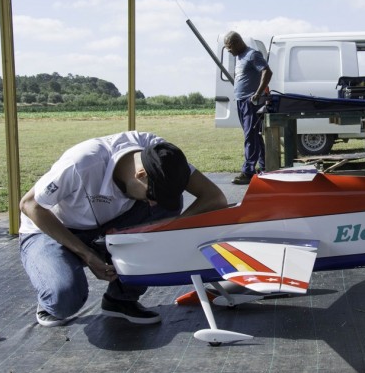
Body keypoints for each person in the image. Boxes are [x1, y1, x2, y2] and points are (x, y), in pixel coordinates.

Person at [18, 131, 227, 327]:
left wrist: (171, 229)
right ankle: (51, 297)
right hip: (52, 230)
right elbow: (30, 205)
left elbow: (215, 197)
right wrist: (88, 254)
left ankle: (120, 299)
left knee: (166, 211)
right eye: (151, 195)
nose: (153, 203)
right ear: (141, 173)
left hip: (109, 222)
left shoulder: (161, 155)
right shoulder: (82, 162)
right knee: (64, 298)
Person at [224, 31, 273, 185]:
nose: (229, 51)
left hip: (250, 101)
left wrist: (258, 93)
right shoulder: (238, 57)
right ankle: (266, 167)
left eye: (230, 47)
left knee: (250, 137)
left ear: (238, 42)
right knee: (254, 136)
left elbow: (267, 71)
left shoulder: (252, 54)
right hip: (241, 101)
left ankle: (248, 172)